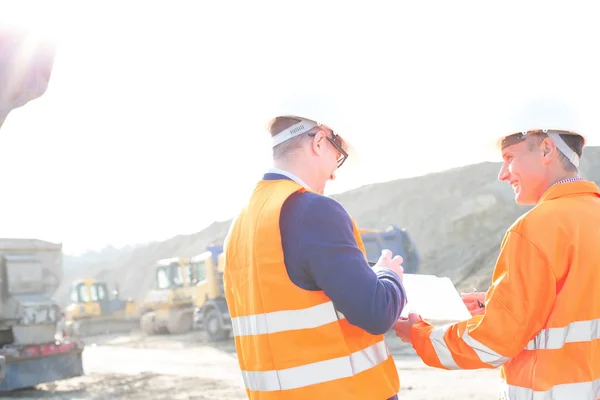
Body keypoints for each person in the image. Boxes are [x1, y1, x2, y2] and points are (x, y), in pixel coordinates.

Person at [393, 96, 600, 399]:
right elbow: (576, 306)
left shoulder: (534, 228)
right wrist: (497, 304)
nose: (503, 174)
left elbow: (493, 343)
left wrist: (419, 335)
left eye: (509, 158)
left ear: (546, 149)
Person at [223, 104, 408, 399]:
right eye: (339, 156)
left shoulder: (241, 227)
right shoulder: (312, 210)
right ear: (319, 141)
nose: (334, 174)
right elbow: (376, 312)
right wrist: (389, 274)